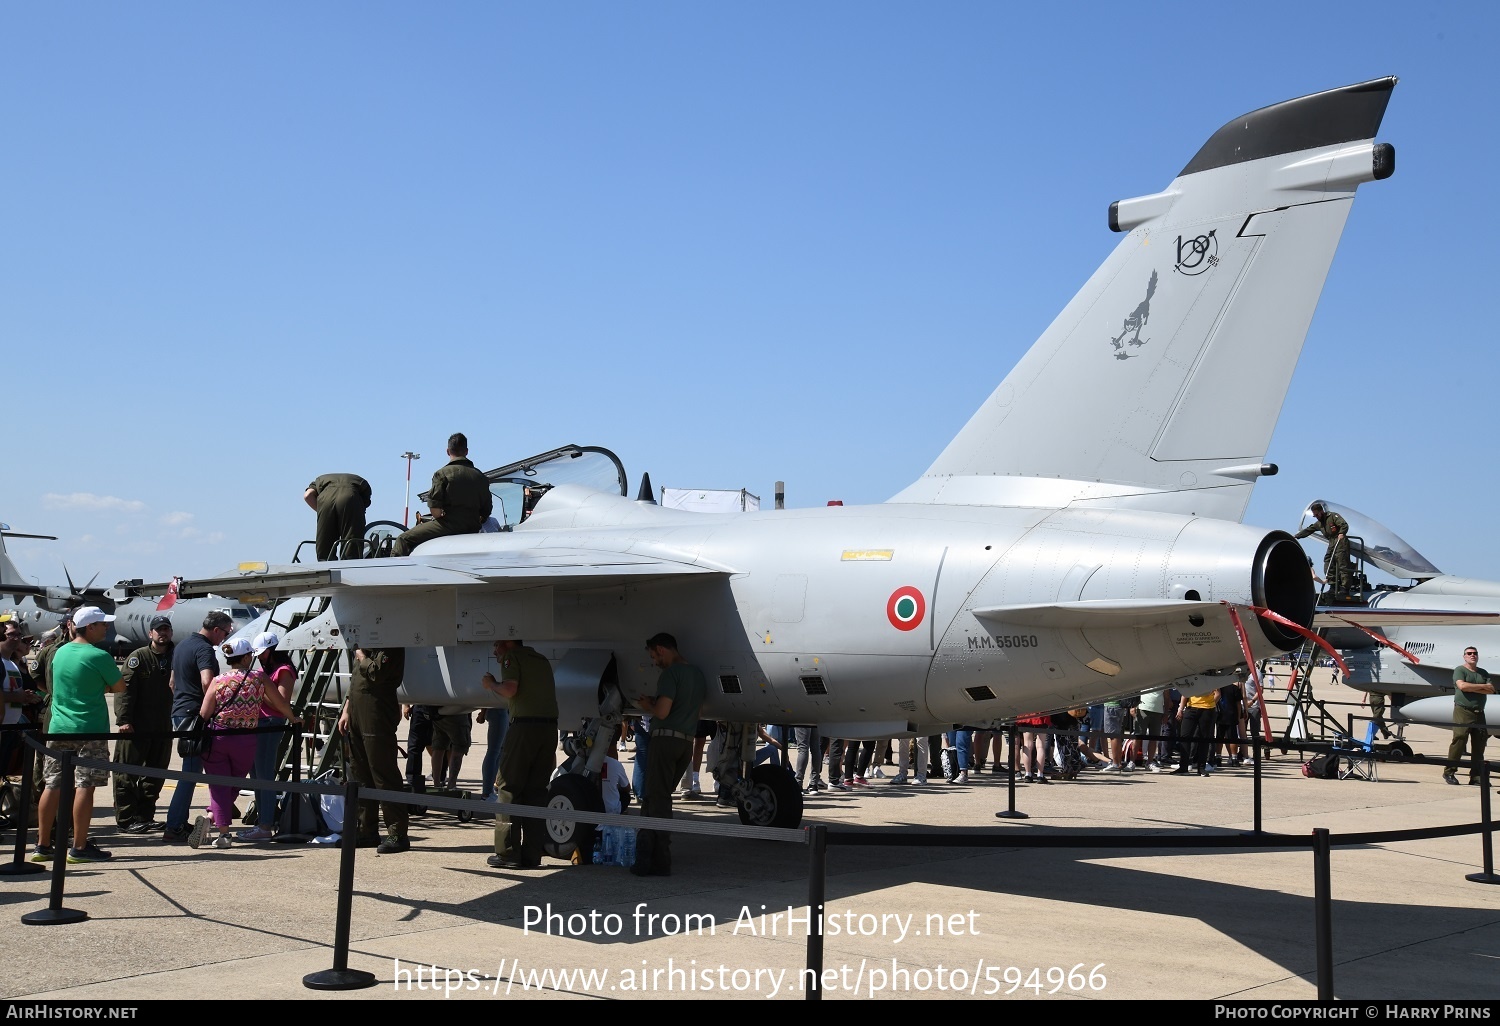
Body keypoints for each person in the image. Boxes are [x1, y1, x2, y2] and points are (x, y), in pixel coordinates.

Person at [32, 607, 123, 864]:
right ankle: (79, 846)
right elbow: (119, 686)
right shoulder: (99, 655)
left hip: (59, 727)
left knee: (53, 784)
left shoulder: (60, 652)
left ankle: (42, 844)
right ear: (90, 627)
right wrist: (99, 685)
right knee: (85, 785)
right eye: (102, 624)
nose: (107, 628)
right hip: (89, 728)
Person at [189, 637, 296, 850]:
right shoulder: (258, 677)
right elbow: (279, 702)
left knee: (218, 785)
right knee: (235, 783)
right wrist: (294, 719)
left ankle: (222, 831)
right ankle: (213, 818)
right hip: (246, 739)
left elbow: (204, 712)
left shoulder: (218, 680)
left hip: (218, 737)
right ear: (246, 656)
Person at [630, 632, 706, 877]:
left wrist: (647, 706)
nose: (655, 662)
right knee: (658, 796)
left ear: (662, 650)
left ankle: (657, 859)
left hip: (664, 740)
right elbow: (696, 713)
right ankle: (650, 856)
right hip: (685, 743)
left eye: (654, 656)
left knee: (656, 798)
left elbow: (662, 712)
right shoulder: (697, 674)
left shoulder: (670, 674)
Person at [483, 638, 558, 870]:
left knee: (508, 788)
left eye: (497, 646)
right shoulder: (541, 659)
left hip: (523, 728)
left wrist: (492, 684)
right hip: (548, 730)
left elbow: (510, 688)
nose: (495, 651)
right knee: (536, 791)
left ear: (508, 643)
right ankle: (532, 854)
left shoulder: (511, 657)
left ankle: (507, 853)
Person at [163, 610, 236, 843]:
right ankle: (174, 825)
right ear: (216, 630)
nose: (223, 639)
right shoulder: (204, 649)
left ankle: (178, 822)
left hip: (180, 712)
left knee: (191, 770)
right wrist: (212, 708)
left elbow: (172, 682)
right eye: (224, 633)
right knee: (191, 772)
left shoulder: (183, 645)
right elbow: (208, 682)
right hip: (195, 715)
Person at [338, 647, 410, 853]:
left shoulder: (390, 643)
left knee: (383, 772)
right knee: (360, 773)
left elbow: (376, 673)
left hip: (377, 709)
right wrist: (346, 710)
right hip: (357, 710)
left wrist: (361, 656)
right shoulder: (366, 643)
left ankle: (397, 833)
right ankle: (365, 830)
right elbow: (356, 680)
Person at [112, 615, 175, 833]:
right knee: (126, 774)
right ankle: (126, 819)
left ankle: (144, 816)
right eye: (159, 630)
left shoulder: (175, 657)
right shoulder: (138, 657)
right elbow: (124, 691)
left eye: (166, 629)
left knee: (155, 775)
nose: (163, 633)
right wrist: (124, 720)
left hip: (163, 727)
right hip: (137, 727)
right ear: (151, 634)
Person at [392, 433, 493, 556]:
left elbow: (434, 508)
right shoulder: (480, 477)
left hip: (449, 525)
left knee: (403, 539)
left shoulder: (442, 474)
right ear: (466, 451)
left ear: (447, 451)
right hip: (472, 526)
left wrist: (441, 515)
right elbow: (487, 510)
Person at [241, 632, 296, 841]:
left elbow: (281, 703)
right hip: (259, 724)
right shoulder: (266, 671)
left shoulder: (284, 671)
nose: (260, 657)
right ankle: (263, 821)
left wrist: (260, 690)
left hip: (271, 724)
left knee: (264, 775)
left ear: (273, 651)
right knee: (256, 775)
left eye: (263, 653)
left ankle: (265, 824)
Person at [1443, 646, 1493, 786]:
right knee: (1459, 739)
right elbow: (1462, 687)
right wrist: (1480, 687)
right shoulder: (1460, 670)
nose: (1472, 655)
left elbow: (1491, 689)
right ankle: (1449, 772)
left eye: (1475, 653)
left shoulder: (1483, 672)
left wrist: (1471, 687)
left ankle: (1476, 777)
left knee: (1479, 744)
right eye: (1469, 653)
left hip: (1479, 712)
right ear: (1464, 656)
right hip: (1463, 711)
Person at [1, 629, 43, 777]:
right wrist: (17, 697)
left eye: (19, 635)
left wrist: (26, 698)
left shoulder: (12, 665)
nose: (17, 638)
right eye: (10, 634)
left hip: (13, 729)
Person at [1295, 501, 1355, 600]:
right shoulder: (1319, 523)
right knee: (1328, 561)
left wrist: (1341, 533)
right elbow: (1309, 530)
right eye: (1315, 516)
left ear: (1321, 511)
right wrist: (1296, 536)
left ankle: (1345, 587)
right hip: (1331, 542)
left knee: (1342, 564)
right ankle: (1333, 585)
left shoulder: (1332, 516)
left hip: (1340, 541)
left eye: (1317, 514)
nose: (1317, 517)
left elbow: (1344, 525)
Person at [303, 473, 372, 560]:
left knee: (325, 549)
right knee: (351, 543)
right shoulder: (362, 483)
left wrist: (323, 513)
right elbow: (363, 506)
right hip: (350, 496)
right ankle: (350, 565)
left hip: (325, 498)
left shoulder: (319, 481)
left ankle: (325, 566)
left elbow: (307, 495)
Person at [1173, 687, 1219, 776]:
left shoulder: (1210, 676)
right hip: (1191, 708)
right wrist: (1181, 708)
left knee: (1204, 739)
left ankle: (1201, 768)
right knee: (1185, 736)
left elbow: (1218, 693)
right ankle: (1183, 767)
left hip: (1207, 709)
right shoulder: (1193, 676)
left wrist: (1210, 705)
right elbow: (1185, 692)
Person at [428, 706, 473, 790]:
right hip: (457, 712)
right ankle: (451, 785)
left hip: (437, 713)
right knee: (459, 747)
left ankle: (436, 784)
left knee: (438, 747)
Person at [476, 704, 510, 801]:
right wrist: (483, 712)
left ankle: (489, 791)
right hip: (498, 709)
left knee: (498, 751)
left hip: (501, 710)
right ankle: (486, 793)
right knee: (494, 751)